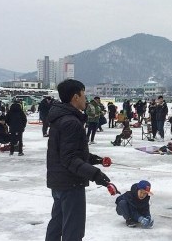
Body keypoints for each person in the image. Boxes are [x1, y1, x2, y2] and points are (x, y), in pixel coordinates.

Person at [45, 79, 117, 241]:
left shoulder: (61, 118)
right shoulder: (71, 121)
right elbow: (69, 158)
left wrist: (96, 160)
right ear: (75, 97)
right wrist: (96, 175)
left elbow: (68, 153)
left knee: (57, 224)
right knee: (73, 230)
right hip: (70, 183)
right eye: (84, 95)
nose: (86, 98)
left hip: (59, 182)